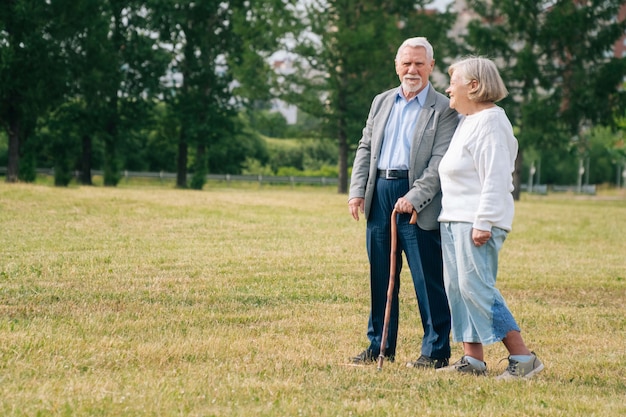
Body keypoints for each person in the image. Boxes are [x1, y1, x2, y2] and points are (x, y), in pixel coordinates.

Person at [348, 37, 458, 368]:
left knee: (427, 278)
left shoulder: (444, 109)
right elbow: (365, 147)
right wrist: (357, 190)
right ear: (397, 66)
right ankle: (379, 345)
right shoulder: (381, 101)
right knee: (381, 275)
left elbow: (440, 161)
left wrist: (415, 197)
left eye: (419, 64)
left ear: (431, 67)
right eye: (406, 63)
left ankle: (435, 351)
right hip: (379, 193)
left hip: (418, 201)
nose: (412, 70)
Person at [436, 56, 544, 379]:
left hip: (476, 222)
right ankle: (473, 360)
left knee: (477, 287)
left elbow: (496, 178)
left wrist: (483, 221)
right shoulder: (468, 121)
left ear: (473, 85)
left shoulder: (492, 122)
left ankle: (524, 359)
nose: (447, 88)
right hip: (453, 219)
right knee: (458, 289)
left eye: (452, 82)